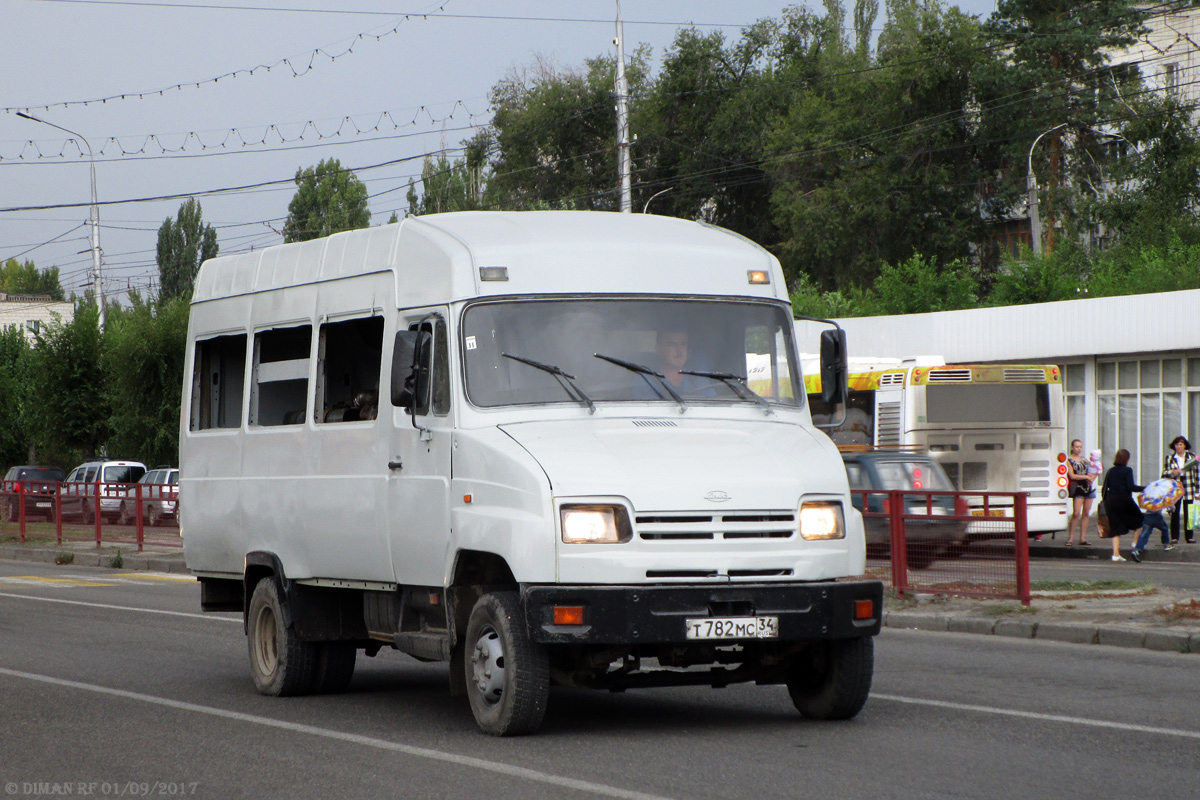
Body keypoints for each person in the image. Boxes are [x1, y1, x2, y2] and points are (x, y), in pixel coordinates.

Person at [1101, 449, 1144, 562]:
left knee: (1116, 528)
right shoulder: (1127, 470)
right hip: (1124, 500)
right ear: (1127, 459)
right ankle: (1135, 543)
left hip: (1111, 501)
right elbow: (1131, 487)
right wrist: (1144, 488)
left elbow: (1105, 488)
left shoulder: (1111, 471)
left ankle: (1116, 554)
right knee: (1139, 520)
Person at [1161, 435, 1198, 545]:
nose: (1179, 447)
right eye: (1177, 444)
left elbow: (1197, 474)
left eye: (1181, 444)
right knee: (1174, 512)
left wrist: (1198, 490)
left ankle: (1189, 536)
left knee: (1189, 512)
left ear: (1185, 445)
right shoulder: (1170, 458)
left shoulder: (1192, 458)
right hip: (1175, 488)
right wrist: (1172, 472)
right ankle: (1174, 537)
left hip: (1188, 487)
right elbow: (1164, 473)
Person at [1064, 439, 1096, 546]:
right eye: (1077, 447)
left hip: (1088, 487)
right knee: (1076, 513)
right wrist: (1086, 476)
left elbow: (1094, 469)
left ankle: (1083, 538)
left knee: (1086, 513)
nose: (1079, 449)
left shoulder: (1084, 460)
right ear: (1072, 447)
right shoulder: (1069, 460)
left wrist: (1093, 476)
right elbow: (1072, 475)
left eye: (1080, 447)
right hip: (1078, 487)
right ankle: (1070, 538)